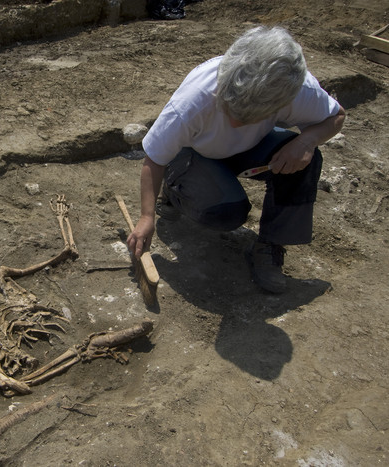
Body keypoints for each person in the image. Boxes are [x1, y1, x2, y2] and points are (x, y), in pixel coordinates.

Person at [127, 26, 345, 293]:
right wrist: (146, 216)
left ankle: (270, 245)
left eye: (248, 116)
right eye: (231, 108)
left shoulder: (293, 87)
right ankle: (175, 189)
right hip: (195, 154)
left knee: (307, 160)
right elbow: (154, 159)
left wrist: (305, 141)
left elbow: (336, 117)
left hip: (250, 148)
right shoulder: (194, 101)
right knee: (226, 213)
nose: (235, 121)